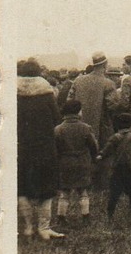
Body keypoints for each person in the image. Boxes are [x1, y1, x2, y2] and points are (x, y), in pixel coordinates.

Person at [17, 59, 64, 241]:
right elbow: (56, 119)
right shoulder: (46, 93)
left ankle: (28, 228)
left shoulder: (13, 93)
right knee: (47, 187)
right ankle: (44, 228)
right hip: (44, 146)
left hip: (21, 146)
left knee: (22, 187)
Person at [54, 100, 99, 223]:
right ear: (78, 112)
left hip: (65, 163)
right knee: (83, 191)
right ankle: (85, 217)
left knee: (65, 192)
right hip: (82, 162)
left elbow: (55, 148)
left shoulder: (58, 129)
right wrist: (95, 157)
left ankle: (61, 217)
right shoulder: (85, 127)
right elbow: (93, 146)